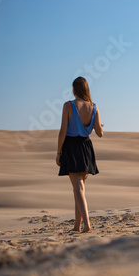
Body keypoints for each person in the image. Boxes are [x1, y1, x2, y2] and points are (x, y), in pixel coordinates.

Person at [56, 77, 103, 233]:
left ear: (74, 89)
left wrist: (58, 152)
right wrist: (99, 125)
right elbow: (99, 133)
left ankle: (86, 224)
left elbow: (63, 130)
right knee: (79, 189)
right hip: (86, 147)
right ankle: (77, 226)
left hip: (72, 146)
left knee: (78, 189)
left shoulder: (69, 105)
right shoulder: (94, 107)